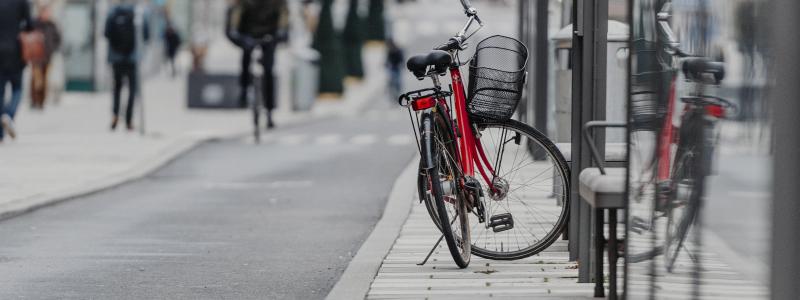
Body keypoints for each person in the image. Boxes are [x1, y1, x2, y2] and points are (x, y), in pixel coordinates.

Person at [226, 0, 289, 130]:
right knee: (246, 58)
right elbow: (235, 15)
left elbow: (284, 15)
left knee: (269, 70)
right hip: (248, 34)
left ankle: (269, 111)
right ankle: (243, 90)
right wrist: (235, 33)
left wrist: (282, 32)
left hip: (270, 36)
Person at [104, 0, 149, 131]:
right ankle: (129, 120)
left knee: (117, 88)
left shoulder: (112, 12)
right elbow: (145, 36)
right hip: (132, 58)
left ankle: (115, 115)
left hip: (116, 58)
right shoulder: (139, 13)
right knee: (132, 89)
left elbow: (106, 33)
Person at [0, 0, 33, 142]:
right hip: (16, 51)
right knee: (17, 88)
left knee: (0, 92)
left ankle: (0, 133)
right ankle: (9, 114)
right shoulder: (22, 2)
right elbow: (30, 25)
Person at [30, 4, 62, 110]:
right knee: (36, 79)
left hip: (48, 56)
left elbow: (58, 39)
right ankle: (34, 100)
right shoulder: (35, 24)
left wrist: (53, 48)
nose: (47, 14)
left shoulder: (52, 25)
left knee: (45, 80)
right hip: (36, 56)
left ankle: (41, 102)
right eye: (45, 12)